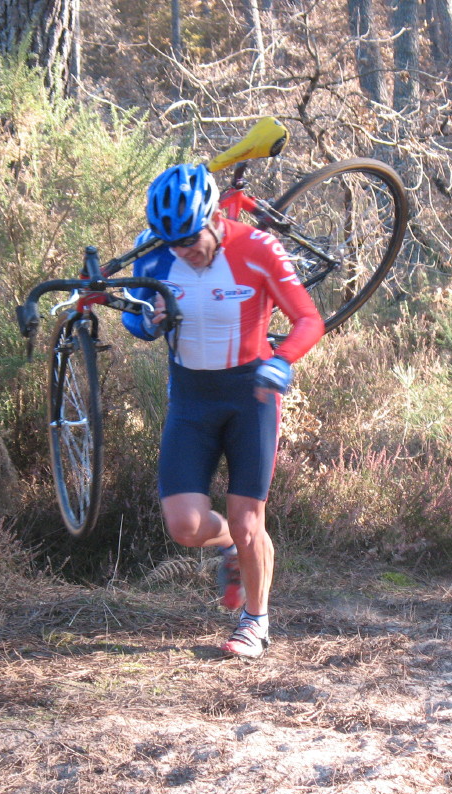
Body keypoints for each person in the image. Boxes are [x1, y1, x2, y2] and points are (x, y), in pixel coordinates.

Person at [121, 163, 324, 659]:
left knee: (248, 518)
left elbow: (308, 319)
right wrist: (146, 322)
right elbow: (132, 313)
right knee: (184, 526)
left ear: (214, 217)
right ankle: (235, 545)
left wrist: (282, 361)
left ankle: (254, 622)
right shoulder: (156, 256)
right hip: (190, 399)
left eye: (191, 239)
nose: (184, 252)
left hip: (250, 395)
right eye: (173, 243)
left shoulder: (257, 249)